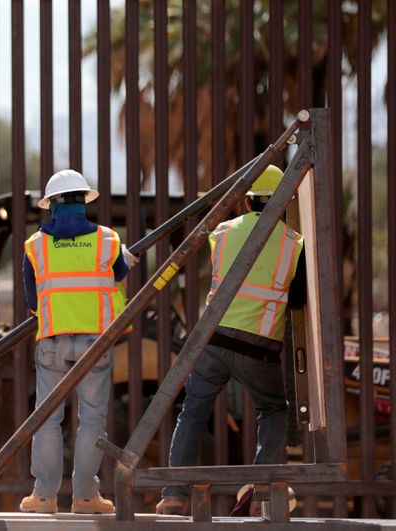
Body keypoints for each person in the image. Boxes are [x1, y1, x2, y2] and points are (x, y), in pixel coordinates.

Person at [156, 165, 306, 516]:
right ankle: (261, 491)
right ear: (283, 203)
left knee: (192, 410)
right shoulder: (293, 244)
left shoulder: (222, 232)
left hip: (216, 339)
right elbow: (297, 300)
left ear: (247, 201)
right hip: (259, 347)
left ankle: (173, 494)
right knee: (273, 409)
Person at [19, 169, 137, 515]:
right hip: (95, 344)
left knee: (48, 419)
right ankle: (86, 496)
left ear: (52, 205)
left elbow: (32, 300)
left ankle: (44, 496)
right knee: (92, 420)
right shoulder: (107, 240)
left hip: (53, 343)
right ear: (83, 202)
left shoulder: (35, 246)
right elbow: (118, 273)